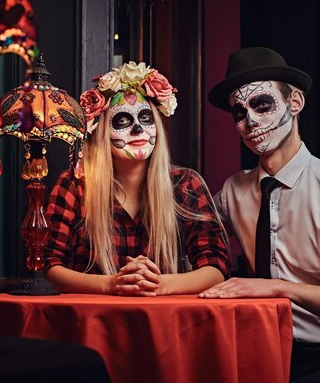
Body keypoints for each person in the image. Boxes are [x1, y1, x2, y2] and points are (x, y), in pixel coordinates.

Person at [201, 47, 320, 382]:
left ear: (295, 102)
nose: (250, 122)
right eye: (239, 112)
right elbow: (189, 236)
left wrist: (276, 288)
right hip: (261, 349)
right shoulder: (233, 191)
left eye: (262, 104)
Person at [43, 61, 230, 296]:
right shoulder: (75, 185)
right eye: (122, 121)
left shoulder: (185, 184)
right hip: (93, 322)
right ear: (100, 130)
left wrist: (160, 284)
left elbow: (216, 266)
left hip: (166, 321)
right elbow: (50, 266)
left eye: (146, 118)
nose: (138, 130)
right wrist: (111, 284)